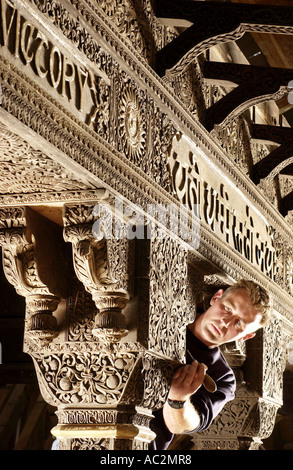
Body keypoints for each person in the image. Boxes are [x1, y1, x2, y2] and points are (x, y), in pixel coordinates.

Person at [149, 279, 271, 450]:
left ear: (245, 337)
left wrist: (178, 400)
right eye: (227, 308)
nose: (225, 322)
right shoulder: (167, 311)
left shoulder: (223, 378)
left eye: (239, 324)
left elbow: (181, 425)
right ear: (216, 297)